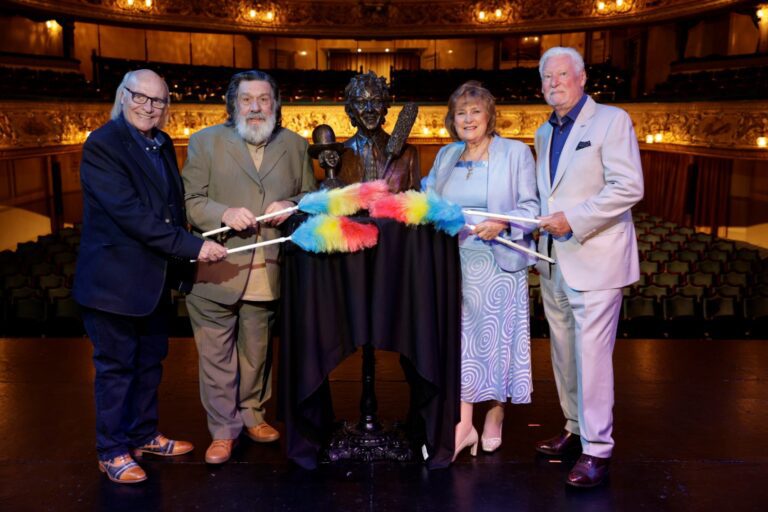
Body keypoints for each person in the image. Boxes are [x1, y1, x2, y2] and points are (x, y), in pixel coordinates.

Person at [73, 69, 227, 484]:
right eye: (140, 97)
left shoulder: (160, 143)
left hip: (153, 281)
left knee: (148, 366)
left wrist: (192, 244)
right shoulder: (102, 145)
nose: (149, 106)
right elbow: (130, 214)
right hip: (113, 285)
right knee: (115, 369)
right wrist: (193, 247)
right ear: (123, 96)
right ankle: (111, 451)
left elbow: (170, 209)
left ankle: (142, 436)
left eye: (158, 101)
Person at [182, 70, 316, 465]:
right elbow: (191, 200)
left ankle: (252, 414)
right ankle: (223, 430)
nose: (255, 107)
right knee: (216, 357)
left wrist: (289, 204)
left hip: (268, 268)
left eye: (263, 99)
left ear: (275, 104)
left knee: (257, 353)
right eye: (246, 99)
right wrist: (223, 212)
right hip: (218, 267)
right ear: (233, 103)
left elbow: (309, 194)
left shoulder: (295, 144)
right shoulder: (204, 142)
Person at [533, 47, 644, 488]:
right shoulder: (544, 132)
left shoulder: (611, 120)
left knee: (593, 357)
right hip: (554, 260)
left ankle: (598, 449)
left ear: (581, 78)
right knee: (564, 354)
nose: (554, 82)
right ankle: (575, 429)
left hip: (596, 257)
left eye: (562, 74)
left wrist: (574, 220)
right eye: (547, 77)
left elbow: (629, 186)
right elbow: (549, 197)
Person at [423, 81, 539, 461]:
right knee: (461, 345)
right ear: (452, 121)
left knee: (497, 345)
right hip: (453, 264)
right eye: (461, 113)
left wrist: (501, 223)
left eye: (475, 111)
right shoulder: (446, 156)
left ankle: (494, 414)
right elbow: (430, 202)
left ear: (489, 115)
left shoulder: (516, 152)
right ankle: (464, 425)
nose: (468, 119)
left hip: (498, 262)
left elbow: (529, 207)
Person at [337, 71, 420, 192]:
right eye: (361, 103)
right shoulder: (339, 154)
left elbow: (416, 205)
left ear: (385, 107)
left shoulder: (408, 154)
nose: (369, 109)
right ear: (350, 111)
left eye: (376, 101)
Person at [308, 123, 345, 189]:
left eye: (333, 152)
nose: (331, 156)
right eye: (327, 153)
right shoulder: (322, 187)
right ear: (321, 158)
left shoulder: (343, 184)